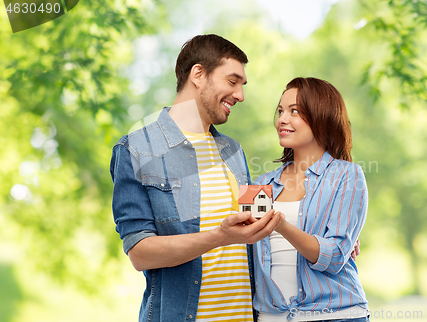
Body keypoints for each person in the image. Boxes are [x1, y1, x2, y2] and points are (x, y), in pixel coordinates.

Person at [110, 34, 283, 322]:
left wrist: (328, 236)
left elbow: (255, 225)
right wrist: (219, 237)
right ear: (198, 74)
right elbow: (140, 252)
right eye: (232, 81)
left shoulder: (232, 150)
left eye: (242, 85)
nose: (240, 95)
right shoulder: (136, 149)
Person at [251, 77, 370, 322]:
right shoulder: (261, 183)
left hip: (336, 314)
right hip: (271, 316)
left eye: (294, 111)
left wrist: (281, 225)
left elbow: (335, 256)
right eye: (281, 111)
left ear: (321, 116)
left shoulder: (347, 175)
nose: (282, 119)